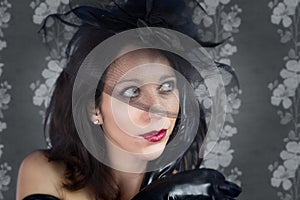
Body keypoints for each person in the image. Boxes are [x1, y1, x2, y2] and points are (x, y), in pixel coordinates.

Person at [17, 0, 242, 199]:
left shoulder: (183, 190)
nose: (157, 111)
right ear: (94, 109)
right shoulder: (45, 172)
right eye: (132, 91)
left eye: (166, 87)